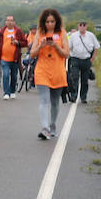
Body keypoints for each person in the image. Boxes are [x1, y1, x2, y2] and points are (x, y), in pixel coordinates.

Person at [31, 8, 69, 139]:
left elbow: (66, 54)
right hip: (42, 71)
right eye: (47, 22)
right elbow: (32, 54)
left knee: (54, 102)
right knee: (44, 100)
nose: (50, 24)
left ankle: (52, 125)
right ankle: (45, 128)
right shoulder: (39, 33)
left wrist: (55, 45)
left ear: (56, 21)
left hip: (58, 71)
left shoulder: (62, 33)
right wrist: (41, 45)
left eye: (52, 21)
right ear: (43, 22)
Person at [0, 15, 28, 98]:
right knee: (5, 75)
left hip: (15, 59)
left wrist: (18, 43)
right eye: (8, 20)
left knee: (14, 75)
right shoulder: (2, 32)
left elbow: (25, 42)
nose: (9, 22)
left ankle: (12, 91)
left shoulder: (18, 31)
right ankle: (6, 93)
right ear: (5, 22)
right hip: (4, 58)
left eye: (11, 20)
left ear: (14, 22)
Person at [66, 20, 100, 103]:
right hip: (75, 59)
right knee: (75, 78)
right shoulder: (74, 36)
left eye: (84, 25)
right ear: (78, 26)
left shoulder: (91, 35)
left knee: (84, 80)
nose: (82, 26)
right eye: (80, 25)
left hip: (86, 60)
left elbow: (96, 47)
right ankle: (74, 96)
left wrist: (92, 59)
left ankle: (83, 97)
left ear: (86, 26)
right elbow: (69, 47)